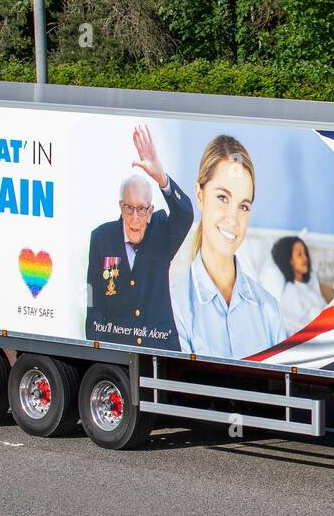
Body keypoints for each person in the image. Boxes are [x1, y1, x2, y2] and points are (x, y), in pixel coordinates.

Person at [170, 135, 285, 358]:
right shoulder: (176, 306)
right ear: (199, 195)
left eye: (243, 206)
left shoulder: (269, 309)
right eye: (223, 197)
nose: (233, 218)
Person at [85, 125, 193, 349]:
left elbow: (185, 214)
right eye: (129, 208)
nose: (135, 217)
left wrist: (161, 178)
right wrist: (99, 346)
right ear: (120, 207)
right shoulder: (101, 238)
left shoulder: (161, 233)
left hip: (159, 346)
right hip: (118, 347)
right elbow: (93, 298)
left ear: (150, 210)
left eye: (141, 209)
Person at [271, 235, 334, 334]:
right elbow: (301, 328)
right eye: (299, 254)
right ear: (290, 261)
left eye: (305, 253)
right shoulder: (291, 293)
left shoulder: (308, 286)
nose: (305, 258)